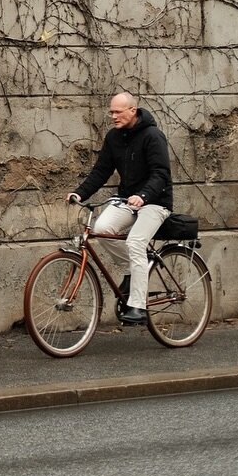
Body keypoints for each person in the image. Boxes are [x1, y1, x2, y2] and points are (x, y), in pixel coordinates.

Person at [67, 91, 173, 326]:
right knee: (103, 229)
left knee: (135, 242)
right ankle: (131, 269)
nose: (113, 116)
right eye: (111, 112)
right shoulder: (114, 138)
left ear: (132, 111)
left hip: (155, 202)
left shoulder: (153, 136)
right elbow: (101, 171)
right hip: (127, 199)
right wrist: (80, 192)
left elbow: (161, 174)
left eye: (118, 111)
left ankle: (138, 306)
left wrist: (144, 196)